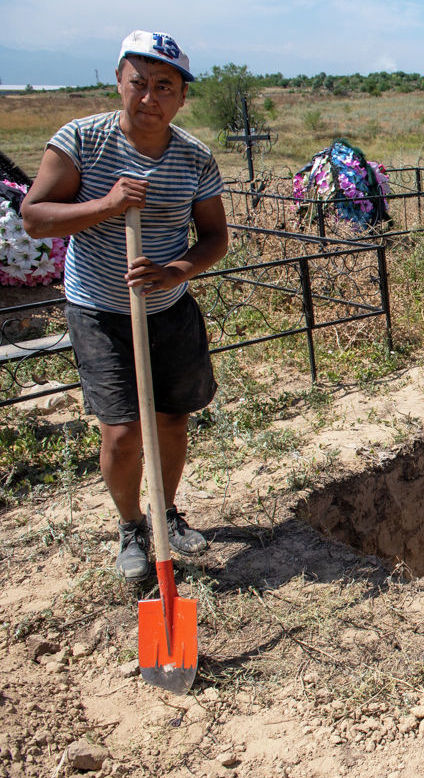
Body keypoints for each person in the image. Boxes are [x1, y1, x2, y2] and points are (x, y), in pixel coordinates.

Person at [22, 30, 228, 581]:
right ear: (118, 82)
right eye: (139, 83)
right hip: (100, 308)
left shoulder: (193, 157)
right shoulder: (80, 141)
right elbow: (35, 215)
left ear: (182, 96)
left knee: (171, 421)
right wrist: (108, 203)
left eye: (165, 86)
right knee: (122, 432)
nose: (149, 98)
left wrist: (174, 271)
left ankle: (165, 512)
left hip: (169, 307)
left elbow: (213, 237)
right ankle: (131, 526)